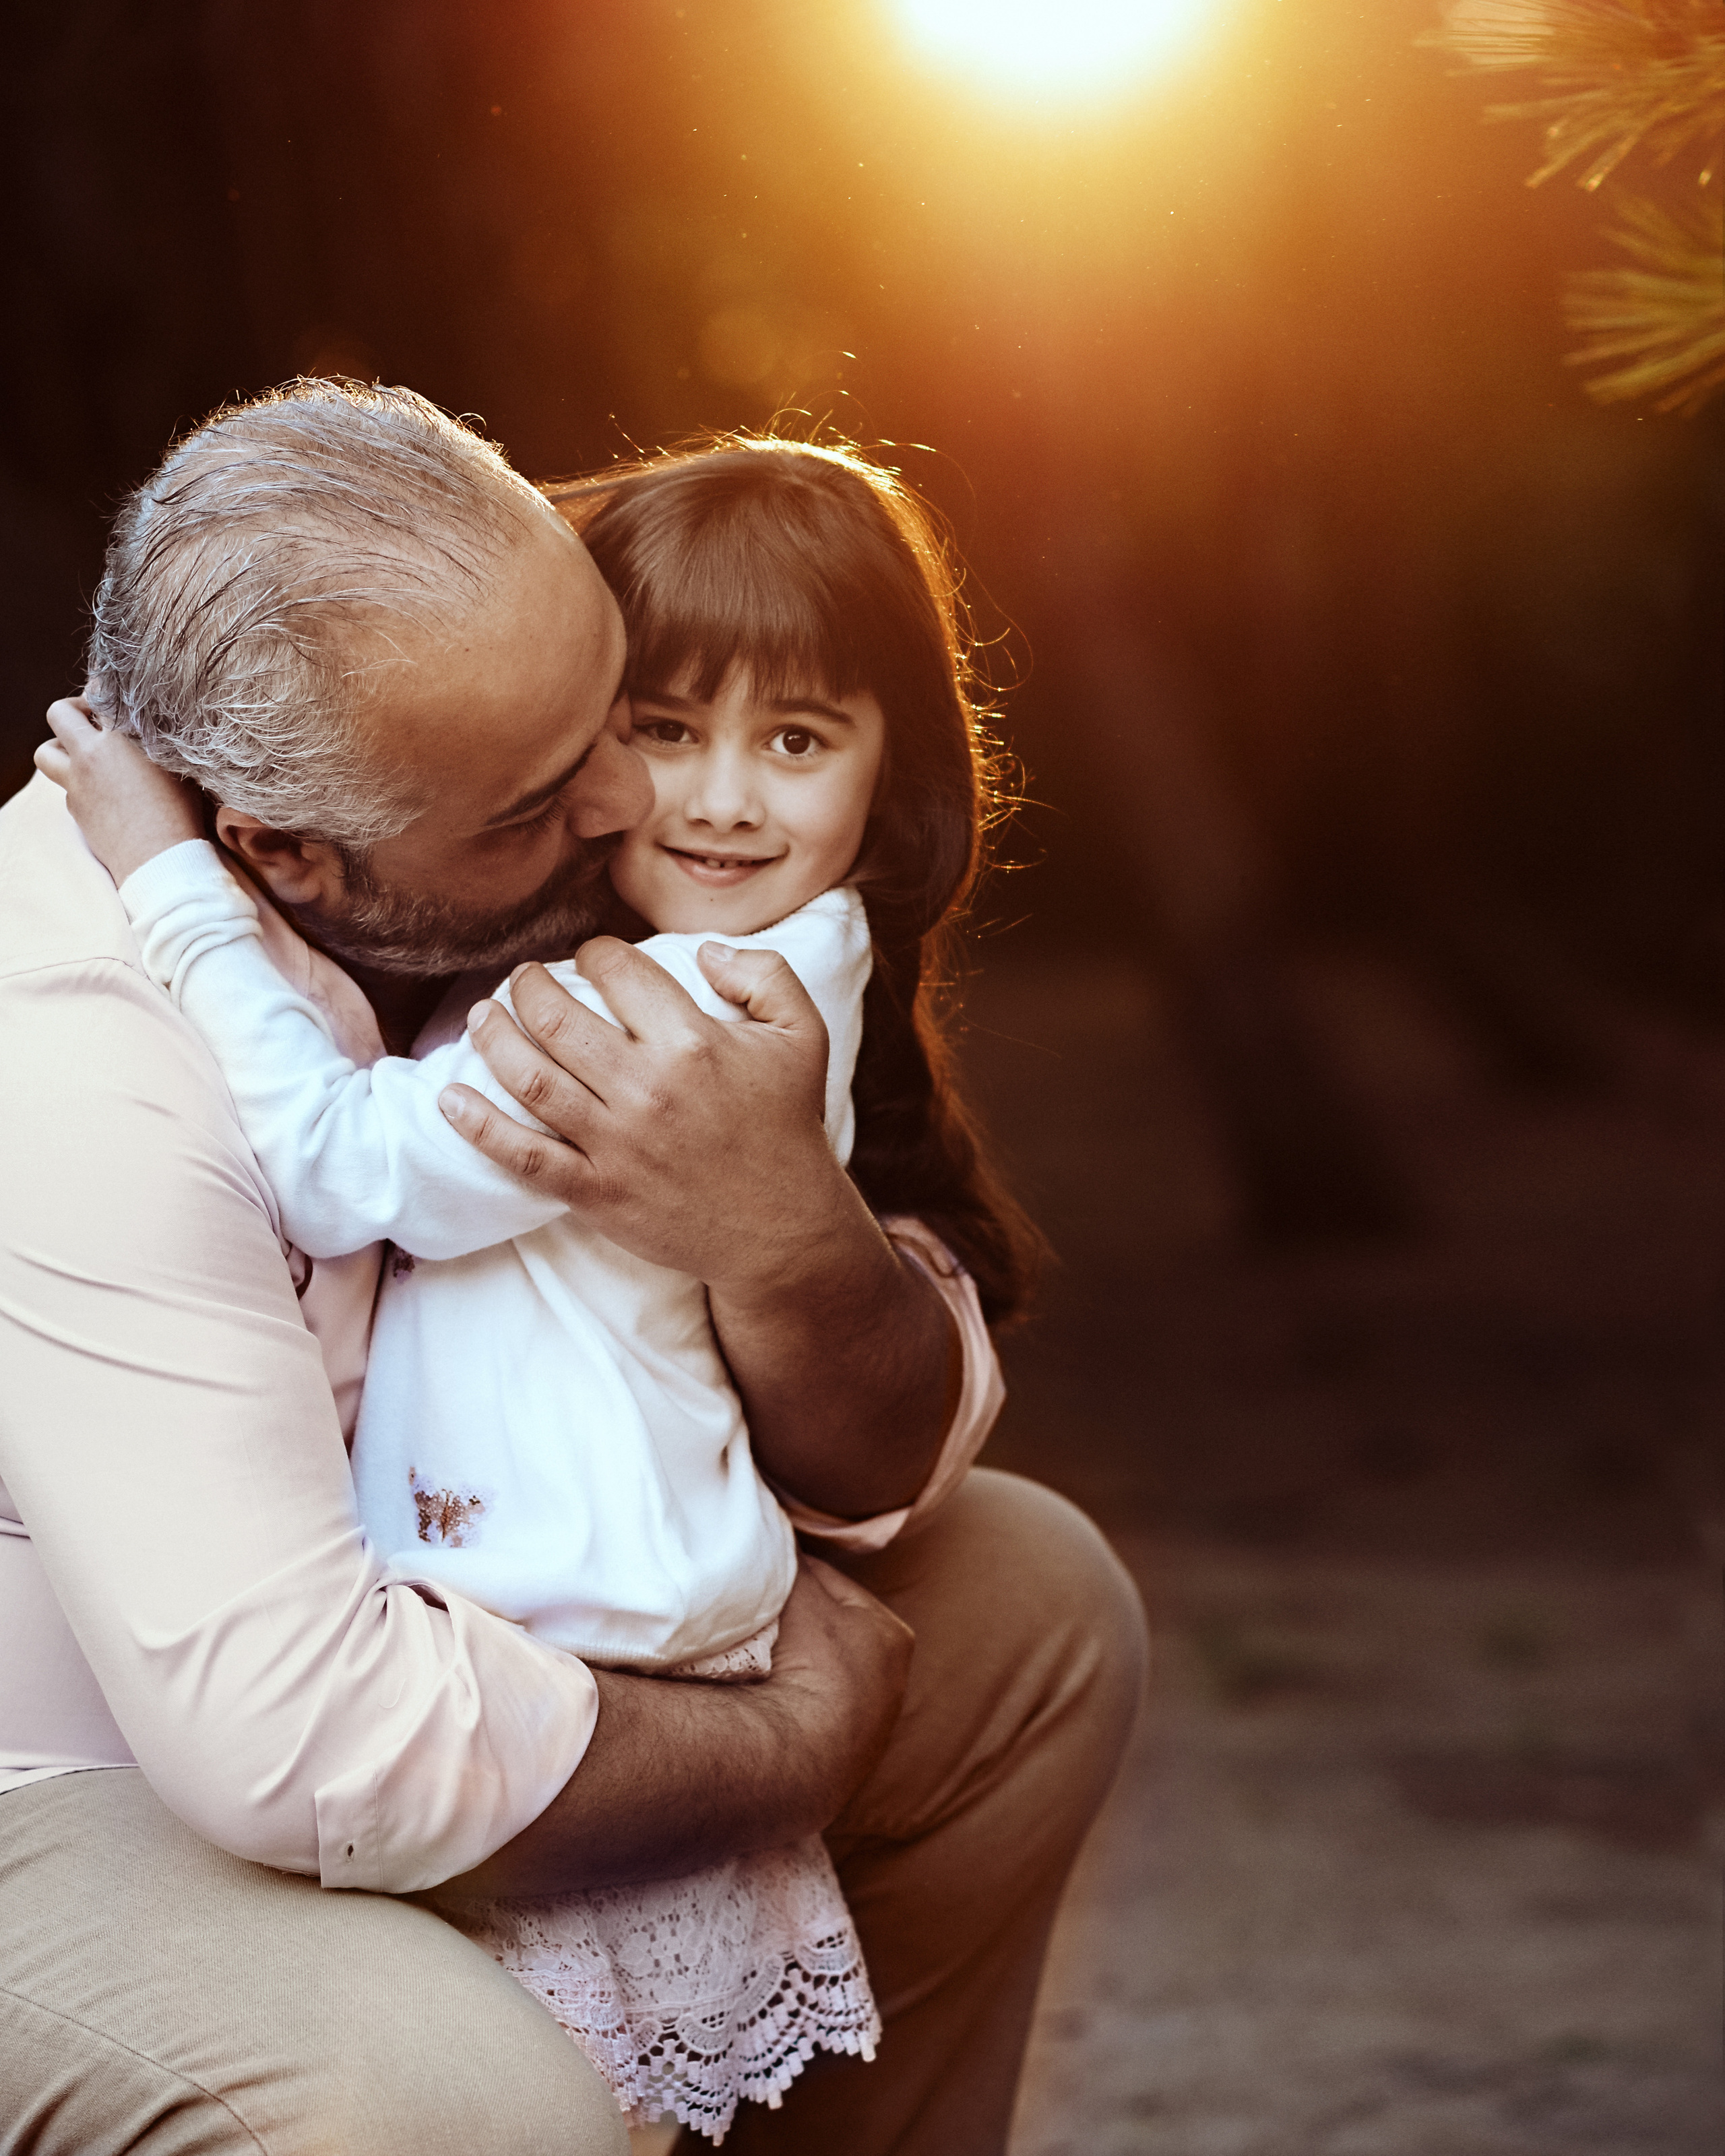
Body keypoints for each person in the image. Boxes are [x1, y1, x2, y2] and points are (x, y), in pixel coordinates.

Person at [0, 382, 1147, 2156]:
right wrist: (791, 1737)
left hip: (447, 1601)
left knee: (1033, 1605)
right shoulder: (77, 1055)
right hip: (80, 1766)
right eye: (554, 787)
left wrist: (778, 1219)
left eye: (614, 704)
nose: (639, 790)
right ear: (281, 853)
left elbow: (893, 1442)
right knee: (455, 2109)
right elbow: (298, 1742)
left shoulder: (518, 802)